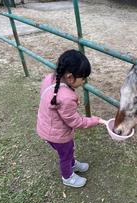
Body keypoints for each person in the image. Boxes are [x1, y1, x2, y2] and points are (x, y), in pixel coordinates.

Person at [37, 49, 105, 188]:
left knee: (69, 150)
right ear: (69, 77)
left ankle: (73, 164)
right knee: (66, 155)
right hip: (57, 135)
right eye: (83, 78)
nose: (84, 81)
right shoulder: (66, 97)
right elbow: (76, 121)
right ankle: (67, 177)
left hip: (46, 127)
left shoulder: (50, 79)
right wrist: (95, 120)